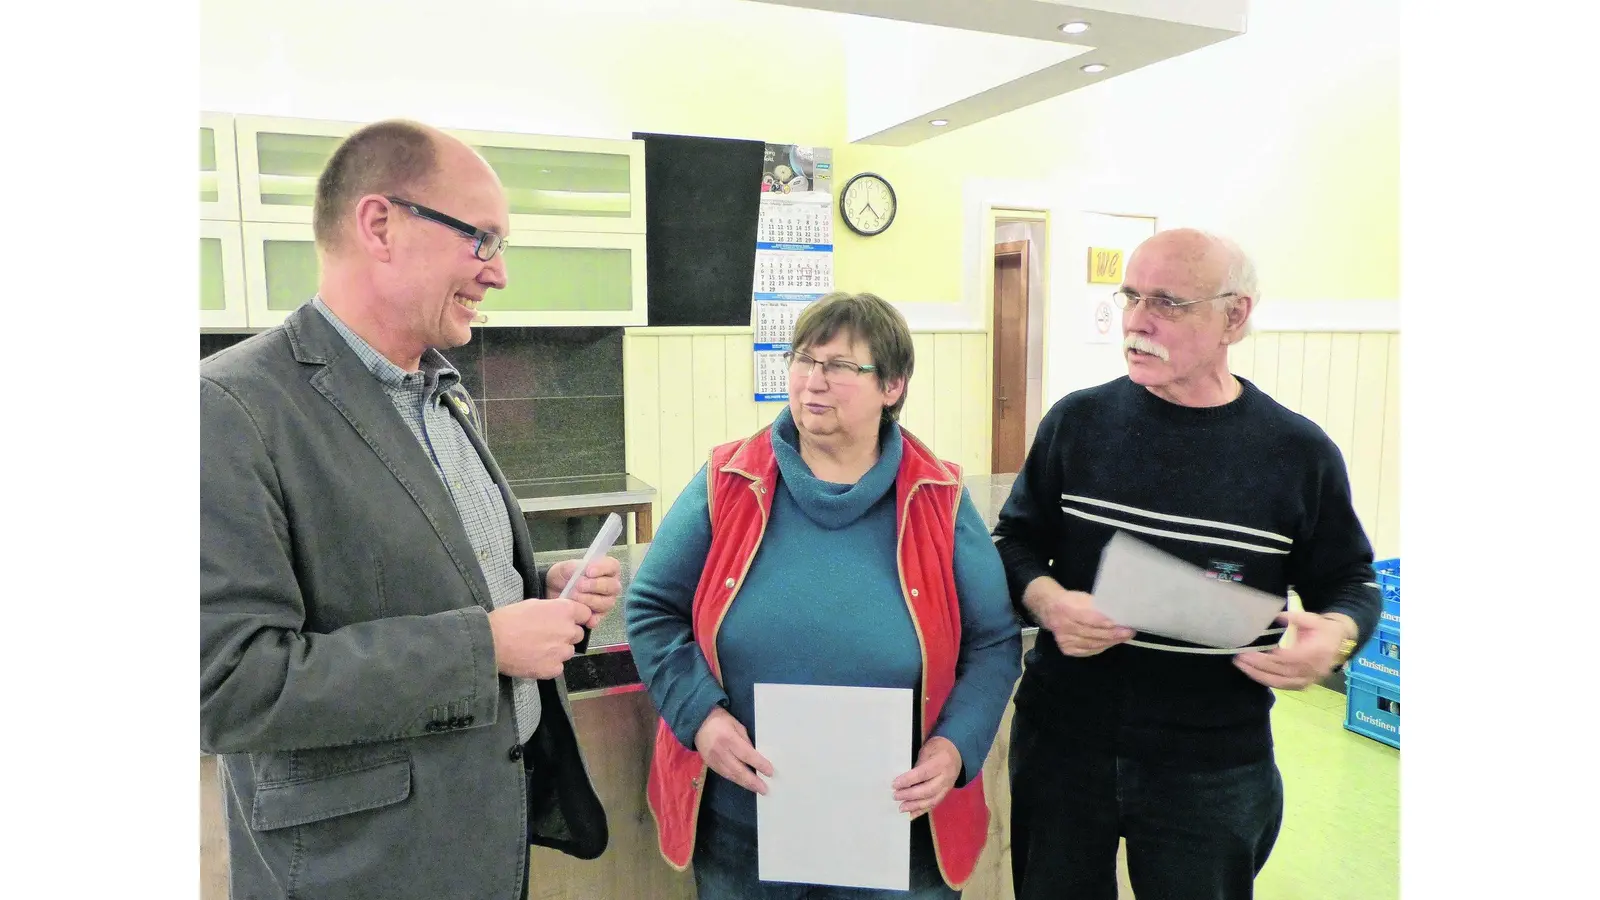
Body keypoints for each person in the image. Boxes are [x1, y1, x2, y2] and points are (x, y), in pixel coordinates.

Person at [200, 119, 621, 900]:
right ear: (380, 225)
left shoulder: (441, 393)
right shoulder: (228, 408)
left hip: (484, 842)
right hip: (358, 868)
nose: (497, 274)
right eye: (482, 240)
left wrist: (544, 605)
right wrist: (487, 646)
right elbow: (229, 686)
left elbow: (442, 588)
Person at [993, 228, 1384, 900]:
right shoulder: (1077, 423)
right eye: (1132, 297)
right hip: (1064, 743)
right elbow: (1014, 543)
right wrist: (1049, 601)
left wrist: (1337, 639)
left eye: (1168, 303)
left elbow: (1350, 581)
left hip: (1212, 763)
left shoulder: (1296, 452)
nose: (1138, 321)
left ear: (1235, 316)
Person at [625, 292, 1022, 899]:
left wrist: (954, 747)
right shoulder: (728, 480)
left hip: (897, 828)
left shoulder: (938, 496)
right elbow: (652, 610)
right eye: (803, 360)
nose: (814, 381)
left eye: (840, 367)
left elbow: (993, 643)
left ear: (893, 386)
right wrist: (700, 717)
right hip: (744, 824)